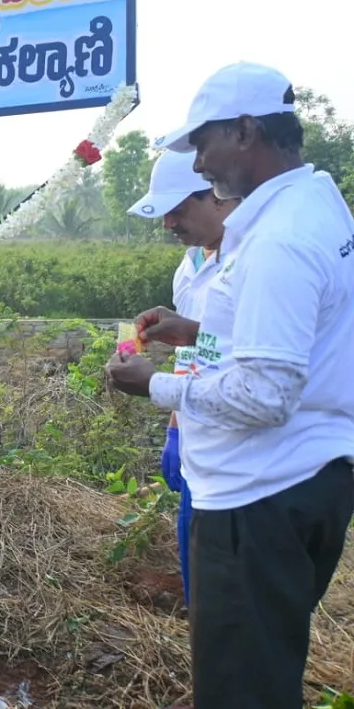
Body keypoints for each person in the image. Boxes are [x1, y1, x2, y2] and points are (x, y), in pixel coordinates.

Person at [107, 62, 354, 709]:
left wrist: (156, 385)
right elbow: (277, 349)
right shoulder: (313, 205)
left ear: (246, 132)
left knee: (244, 693)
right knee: (260, 675)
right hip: (292, 485)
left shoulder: (280, 239)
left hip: (259, 501)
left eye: (202, 144)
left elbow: (264, 394)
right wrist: (193, 332)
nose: (199, 163)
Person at [125, 150, 236, 607]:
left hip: (240, 452)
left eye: (177, 210)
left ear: (217, 195)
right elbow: (198, 354)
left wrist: (154, 384)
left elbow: (248, 363)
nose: (168, 223)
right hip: (199, 440)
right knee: (200, 579)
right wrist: (176, 429)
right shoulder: (190, 267)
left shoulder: (255, 258)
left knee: (234, 594)